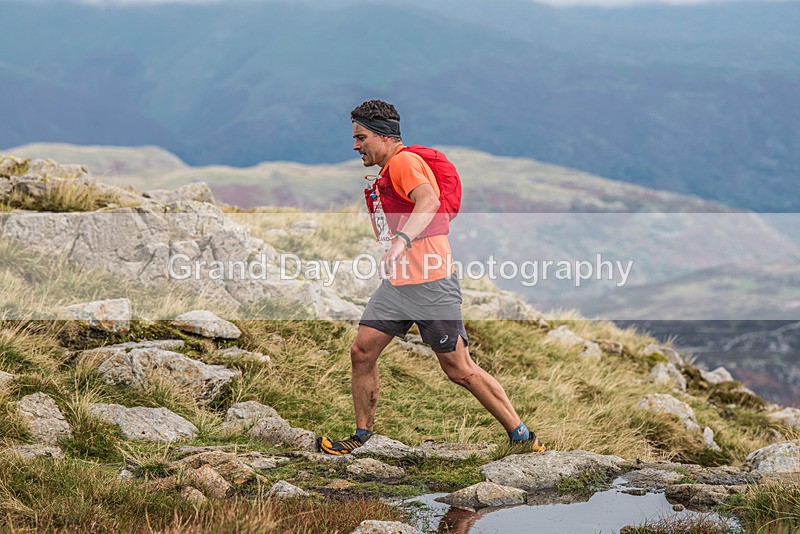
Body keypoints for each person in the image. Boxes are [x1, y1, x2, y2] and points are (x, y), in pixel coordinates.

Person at [316, 100, 545, 455]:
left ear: (382, 135)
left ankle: (523, 437)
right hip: (398, 284)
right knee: (362, 351)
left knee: (459, 369)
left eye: (361, 137)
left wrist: (401, 242)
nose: (355, 145)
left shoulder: (404, 162)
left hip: (431, 283)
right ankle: (362, 437)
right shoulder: (389, 168)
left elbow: (428, 201)